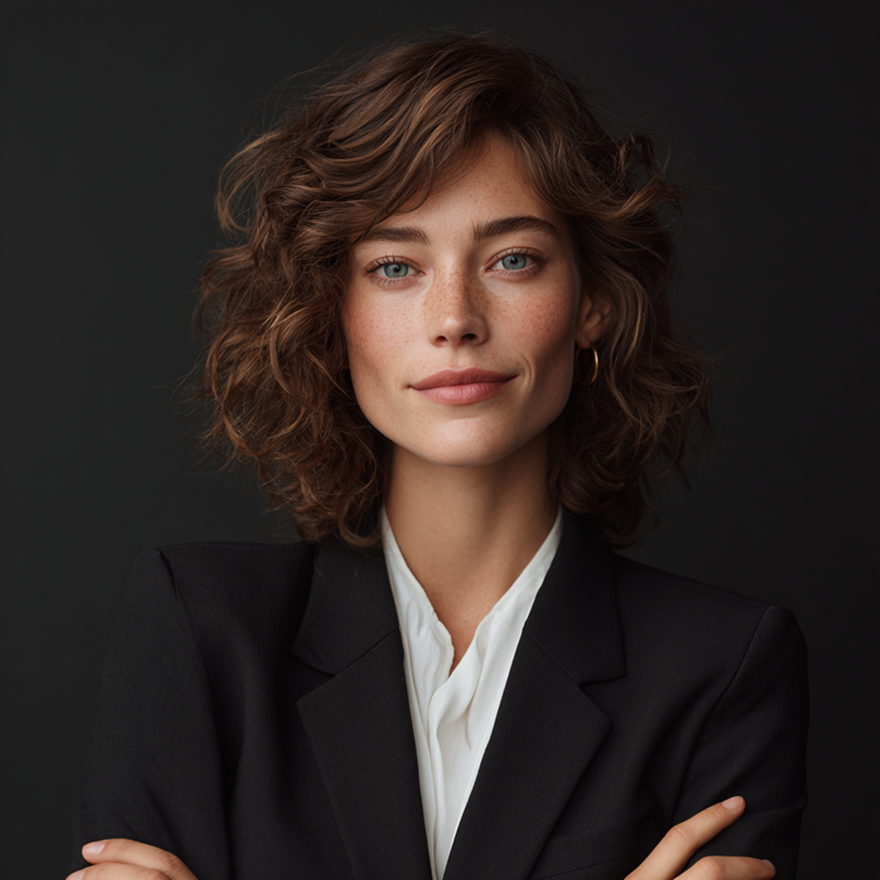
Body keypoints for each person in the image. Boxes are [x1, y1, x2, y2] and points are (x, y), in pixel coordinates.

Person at [66, 33, 808, 880]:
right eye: (394, 267)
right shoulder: (201, 633)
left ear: (592, 302)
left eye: (514, 259)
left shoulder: (724, 667)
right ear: (330, 310)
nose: (454, 316)